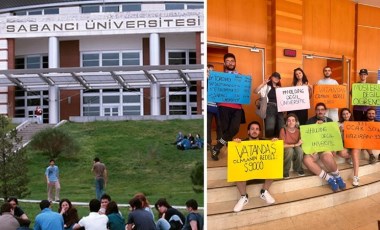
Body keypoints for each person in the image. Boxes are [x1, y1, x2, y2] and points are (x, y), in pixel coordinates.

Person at [232, 121, 276, 213]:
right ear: (248, 131)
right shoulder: (242, 143)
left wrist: (275, 143)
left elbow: (277, 152)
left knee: (274, 165)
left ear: (259, 132)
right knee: (236, 171)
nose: (254, 131)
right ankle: (244, 197)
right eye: (252, 129)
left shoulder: (266, 142)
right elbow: (232, 158)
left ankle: (264, 192)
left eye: (257, 129)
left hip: (262, 174)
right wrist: (234, 144)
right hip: (246, 175)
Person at [303, 102, 346, 192]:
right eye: (318, 110)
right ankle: (329, 179)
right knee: (306, 160)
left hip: (325, 148)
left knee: (327, 157)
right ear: (315, 111)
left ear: (325, 111)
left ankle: (338, 177)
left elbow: (334, 136)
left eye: (322, 109)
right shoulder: (309, 121)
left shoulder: (329, 121)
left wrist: (333, 148)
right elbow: (306, 137)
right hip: (314, 149)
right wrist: (315, 126)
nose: (320, 111)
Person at [211, 53, 244, 161]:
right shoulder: (219, 77)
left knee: (234, 129)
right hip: (223, 106)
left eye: (232, 61)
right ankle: (229, 153)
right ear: (224, 63)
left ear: (235, 62)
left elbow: (244, 91)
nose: (230, 63)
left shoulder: (240, 76)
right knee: (225, 131)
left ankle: (217, 147)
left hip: (237, 107)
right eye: (228, 61)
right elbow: (214, 90)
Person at [254, 72, 284, 138]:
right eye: (275, 76)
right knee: (270, 127)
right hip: (270, 107)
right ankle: (269, 142)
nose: (276, 78)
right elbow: (255, 91)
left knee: (281, 127)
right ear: (271, 77)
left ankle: (279, 143)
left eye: (278, 78)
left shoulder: (280, 88)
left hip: (280, 108)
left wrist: (279, 90)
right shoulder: (266, 86)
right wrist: (263, 83)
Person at [336, 108, 361, 186]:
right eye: (343, 114)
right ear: (341, 115)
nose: (345, 115)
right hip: (344, 144)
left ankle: (356, 176)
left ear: (350, 114)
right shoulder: (338, 124)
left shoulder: (356, 123)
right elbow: (335, 138)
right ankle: (351, 157)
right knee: (341, 153)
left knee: (355, 152)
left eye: (347, 113)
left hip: (355, 144)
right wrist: (340, 131)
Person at [279, 113, 304, 178]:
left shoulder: (299, 131)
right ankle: (285, 171)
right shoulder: (283, 130)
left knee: (300, 150)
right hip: (286, 149)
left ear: (296, 122)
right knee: (290, 150)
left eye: (293, 120)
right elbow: (282, 145)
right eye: (289, 120)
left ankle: (298, 168)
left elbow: (300, 143)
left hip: (295, 148)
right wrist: (294, 145)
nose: (291, 122)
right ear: (286, 122)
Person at [207, 64, 221, 150]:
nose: (211, 72)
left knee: (220, 124)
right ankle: (208, 142)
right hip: (208, 106)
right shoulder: (205, 80)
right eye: (209, 70)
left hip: (218, 106)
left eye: (212, 70)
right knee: (208, 124)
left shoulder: (218, 80)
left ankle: (220, 141)